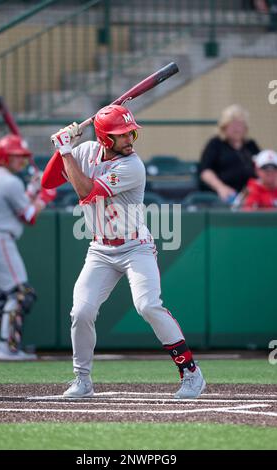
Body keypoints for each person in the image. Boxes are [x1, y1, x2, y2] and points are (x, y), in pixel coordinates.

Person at [49, 104, 206, 400]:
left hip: (136, 247)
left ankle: (191, 374)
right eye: (121, 135)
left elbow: (86, 192)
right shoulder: (84, 152)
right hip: (100, 249)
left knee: (148, 305)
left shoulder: (133, 166)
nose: (130, 139)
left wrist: (66, 150)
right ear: (106, 139)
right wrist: (62, 146)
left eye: (130, 132)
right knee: (81, 311)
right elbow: (49, 180)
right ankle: (82, 380)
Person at [0, 134, 56, 360]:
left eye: (22, 157)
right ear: (3, 157)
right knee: (21, 294)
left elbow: (14, 202)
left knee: (0, 299)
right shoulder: (10, 181)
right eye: (16, 157)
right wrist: (45, 197)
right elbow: (28, 215)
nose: (21, 161)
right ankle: (6, 348)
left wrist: (32, 190)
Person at [199, 104, 260, 203]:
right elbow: (205, 171)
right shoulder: (215, 144)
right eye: (233, 125)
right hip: (225, 196)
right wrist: (221, 188)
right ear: (224, 126)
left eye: (240, 124)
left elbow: (263, 168)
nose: (237, 129)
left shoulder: (251, 145)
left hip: (252, 195)